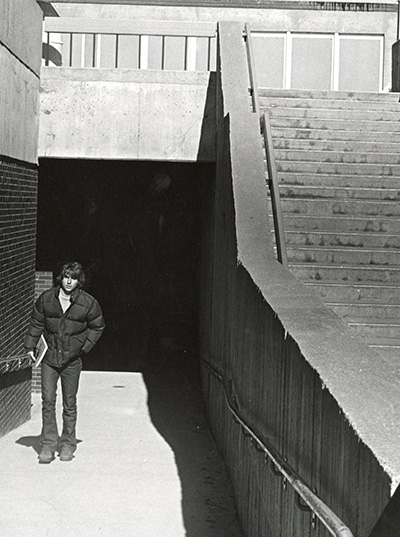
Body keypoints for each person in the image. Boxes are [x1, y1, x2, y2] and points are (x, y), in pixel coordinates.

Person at [24, 261, 105, 464]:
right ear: (61, 278)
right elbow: (36, 322)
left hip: (72, 361)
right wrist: (29, 346)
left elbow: (98, 325)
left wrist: (84, 347)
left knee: (69, 404)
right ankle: (48, 445)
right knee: (48, 401)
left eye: (74, 278)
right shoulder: (46, 299)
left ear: (79, 281)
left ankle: (68, 444)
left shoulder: (88, 302)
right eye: (67, 277)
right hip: (50, 359)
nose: (69, 281)